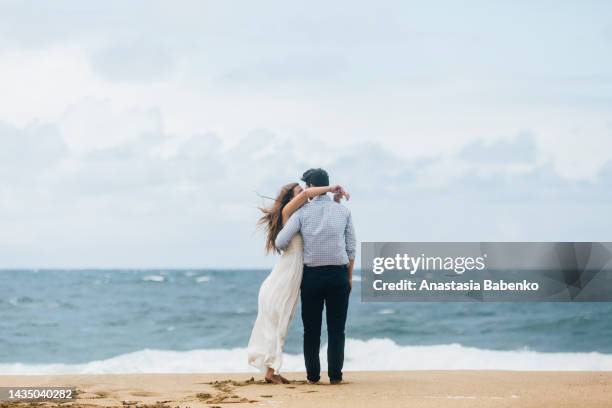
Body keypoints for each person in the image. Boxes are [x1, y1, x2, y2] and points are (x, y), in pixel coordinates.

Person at [247, 175, 350, 384]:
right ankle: (270, 372)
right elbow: (305, 196)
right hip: (285, 277)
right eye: (299, 192)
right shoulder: (289, 214)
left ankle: (272, 370)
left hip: (291, 276)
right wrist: (331, 188)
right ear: (292, 199)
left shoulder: (299, 218)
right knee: (280, 324)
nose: (304, 193)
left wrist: (335, 203)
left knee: (280, 323)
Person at [275, 168, 356, 384]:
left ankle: (312, 377)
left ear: (310, 188)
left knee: (311, 330)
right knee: (337, 330)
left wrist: (296, 247)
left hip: (311, 277)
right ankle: (336, 377)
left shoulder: (301, 213)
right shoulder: (343, 212)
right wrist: (348, 278)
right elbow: (351, 249)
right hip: (338, 275)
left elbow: (280, 242)